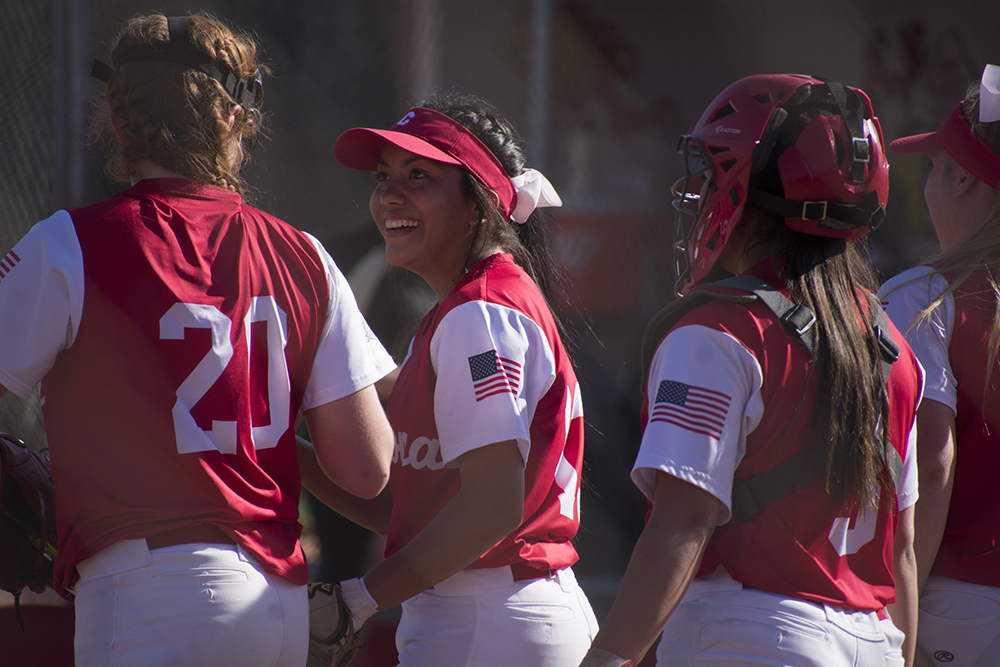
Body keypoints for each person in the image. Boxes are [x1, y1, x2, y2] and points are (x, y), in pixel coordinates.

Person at [0, 12, 395, 666]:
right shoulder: (304, 254)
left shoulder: (69, 243)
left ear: (119, 119)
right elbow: (367, 466)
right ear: (233, 119)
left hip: (142, 590)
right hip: (273, 599)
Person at [577, 74, 924, 667]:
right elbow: (904, 553)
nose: (700, 190)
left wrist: (608, 656)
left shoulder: (716, 334)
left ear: (745, 190)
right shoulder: (892, 346)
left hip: (753, 634)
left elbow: (682, 525)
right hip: (874, 642)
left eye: (714, 172)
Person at [302, 92, 598, 665]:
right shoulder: (467, 308)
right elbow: (415, 513)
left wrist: (358, 601)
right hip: (489, 612)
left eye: (419, 176)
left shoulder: (479, 315)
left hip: (489, 618)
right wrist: (276, 450)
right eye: (384, 176)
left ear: (477, 206)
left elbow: (491, 507)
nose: (389, 194)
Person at [879, 64, 1000, 667]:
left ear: (964, 180)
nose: (926, 184)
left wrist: (901, 630)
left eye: (934, 166)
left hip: (957, 605)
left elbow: (931, 457)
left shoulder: (926, 296)